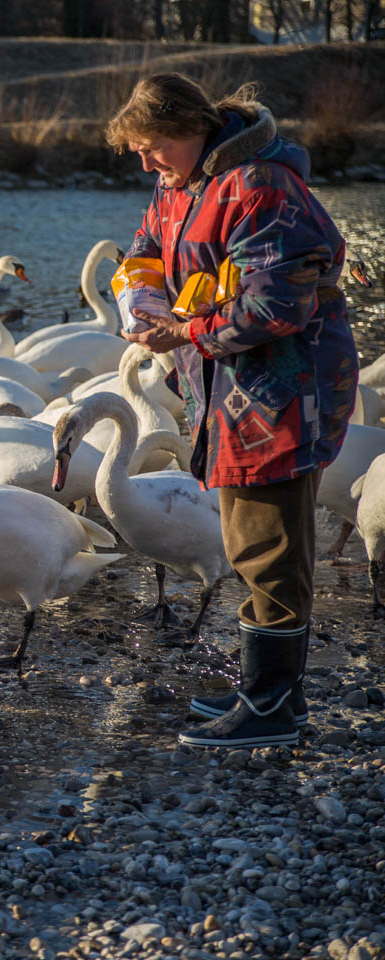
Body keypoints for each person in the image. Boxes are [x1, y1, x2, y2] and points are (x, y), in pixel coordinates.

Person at [108, 73, 358, 750]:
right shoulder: (180, 188)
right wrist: (139, 300)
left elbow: (278, 304)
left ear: (189, 127)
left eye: (151, 146)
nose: (144, 162)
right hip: (225, 392)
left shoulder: (260, 188)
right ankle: (268, 689)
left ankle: (274, 705)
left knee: (269, 543)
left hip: (281, 392)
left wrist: (182, 331)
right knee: (250, 538)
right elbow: (143, 253)